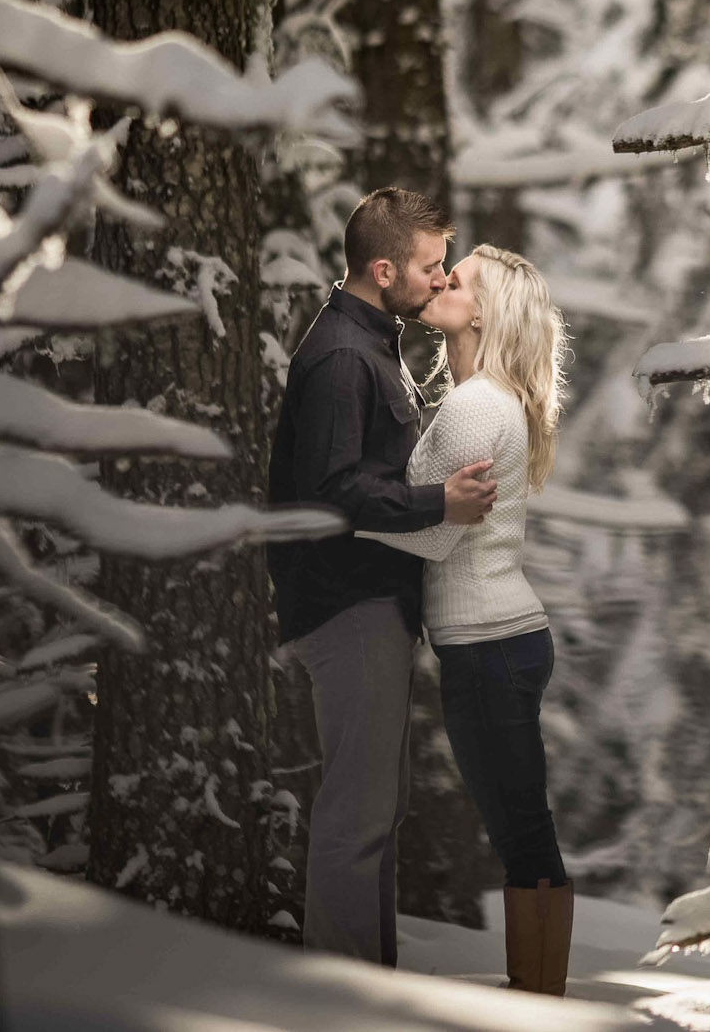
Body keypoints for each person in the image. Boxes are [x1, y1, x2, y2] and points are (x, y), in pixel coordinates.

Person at [267, 188, 499, 966]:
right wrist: (443, 502)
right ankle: (342, 1000)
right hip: (347, 607)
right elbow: (335, 487)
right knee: (356, 815)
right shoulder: (340, 356)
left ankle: (374, 989)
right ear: (381, 267)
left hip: (375, 606)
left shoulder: (374, 342)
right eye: (431, 266)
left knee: (379, 809)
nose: (440, 279)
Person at [360, 244, 574, 997]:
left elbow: (431, 531)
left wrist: (340, 513)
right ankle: (539, 991)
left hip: (491, 647)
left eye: (460, 278)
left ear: (482, 310)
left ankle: (542, 999)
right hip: (497, 642)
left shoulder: (477, 404)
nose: (443, 280)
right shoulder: (481, 396)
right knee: (520, 825)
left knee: (521, 831)